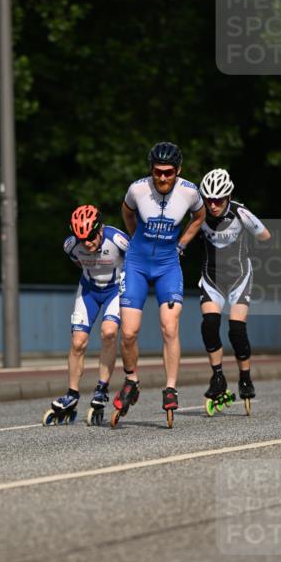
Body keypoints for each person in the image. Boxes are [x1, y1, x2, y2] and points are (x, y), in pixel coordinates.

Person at [113, 142, 206, 426]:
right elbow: (127, 212)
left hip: (168, 265)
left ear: (178, 170)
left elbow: (199, 217)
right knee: (128, 333)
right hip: (137, 263)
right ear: (150, 170)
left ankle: (170, 388)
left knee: (169, 326)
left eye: (168, 173)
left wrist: (182, 244)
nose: (162, 178)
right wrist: (135, 240)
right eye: (157, 172)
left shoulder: (190, 191)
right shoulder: (137, 189)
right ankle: (132, 380)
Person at [43, 204, 129, 425]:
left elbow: (136, 264)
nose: (88, 244)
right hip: (89, 289)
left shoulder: (118, 239)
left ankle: (101, 389)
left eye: (91, 237)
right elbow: (77, 262)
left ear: (100, 229)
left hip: (115, 290)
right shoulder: (71, 245)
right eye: (82, 239)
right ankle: (72, 394)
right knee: (78, 342)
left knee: (109, 333)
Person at [197, 168, 271, 413]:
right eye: (208, 199)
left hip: (239, 276)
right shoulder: (198, 213)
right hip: (212, 277)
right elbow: (183, 236)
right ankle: (218, 376)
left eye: (218, 199)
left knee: (236, 330)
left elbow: (265, 236)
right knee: (209, 324)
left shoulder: (241, 213)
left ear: (228, 196)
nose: (213, 204)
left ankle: (245, 377)